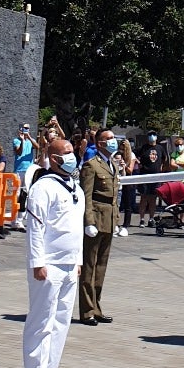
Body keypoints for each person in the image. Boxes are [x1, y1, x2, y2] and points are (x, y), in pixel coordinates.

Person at [20, 137, 84, 368]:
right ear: (53, 158)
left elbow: (76, 227)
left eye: (72, 152)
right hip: (48, 264)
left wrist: (78, 260)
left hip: (69, 264)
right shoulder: (43, 187)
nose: (71, 157)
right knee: (41, 321)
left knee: (61, 322)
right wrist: (38, 262)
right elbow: (36, 228)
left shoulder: (75, 188)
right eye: (65, 153)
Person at [79, 130, 120, 325]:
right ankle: (87, 311)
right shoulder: (91, 165)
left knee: (101, 267)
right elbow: (86, 195)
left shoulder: (112, 164)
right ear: (101, 143)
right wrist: (88, 221)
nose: (113, 142)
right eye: (110, 139)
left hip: (109, 220)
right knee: (89, 266)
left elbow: (113, 198)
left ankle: (97, 307)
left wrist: (117, 220)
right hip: (95, 219)